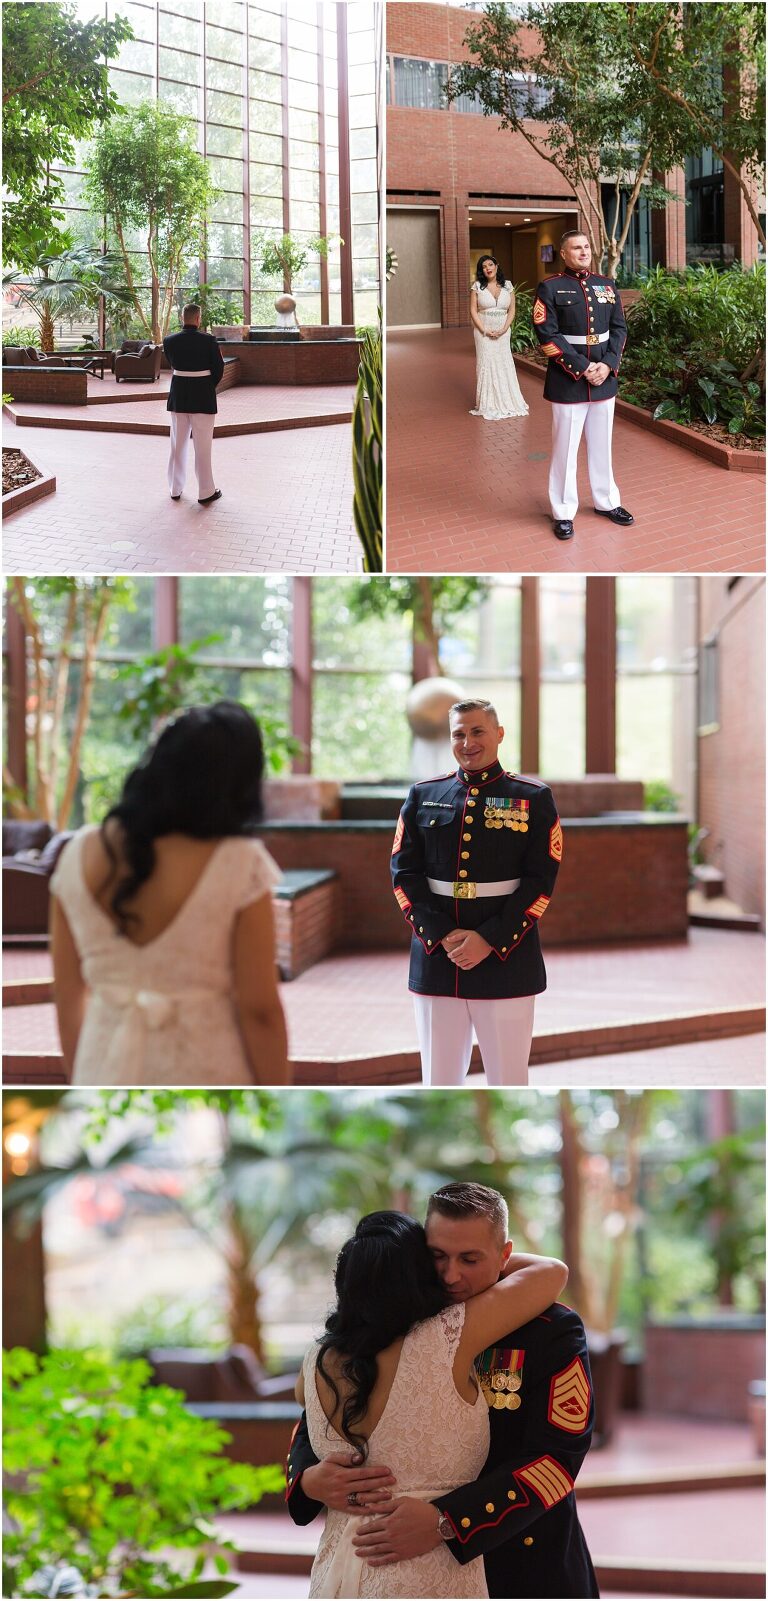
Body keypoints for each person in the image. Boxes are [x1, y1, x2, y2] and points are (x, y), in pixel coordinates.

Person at [287, 1182, 598, 1601]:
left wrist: (450, 1520)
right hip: (394, 1562)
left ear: (505, 1256)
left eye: (470, 1259)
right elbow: (319, 1419)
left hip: (519, 1557)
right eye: (437, 1257)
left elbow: (555, 1460)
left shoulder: (550, 1329)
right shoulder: (401, 1318)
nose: (452, 1276)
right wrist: (307, 1479)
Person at [49, 701, 289, 1086]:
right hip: (209, 1067)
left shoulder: (78, 851)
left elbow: (66, 992)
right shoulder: (240, 863)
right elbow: (259, 1010)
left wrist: (85, 1074)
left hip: (101, 1062)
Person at [390, 699, 562, 1085]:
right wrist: (442, 936)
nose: (468, 742)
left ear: (499, 734)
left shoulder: (532, 798)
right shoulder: (423, 795)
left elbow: (539, 883)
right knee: (439, 1082)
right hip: (437, 958)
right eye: (459, 734)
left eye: (477, 731)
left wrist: (489, 939)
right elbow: (404, 874)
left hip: (506, 958)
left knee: (508, 1080)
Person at [533, 230, 634, 542]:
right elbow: (547, 335)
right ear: (564, 254)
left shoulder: (606, 284)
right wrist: (583, 367)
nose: (583, 252)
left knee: (602, 446)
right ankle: (563, 511)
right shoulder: (550, 287)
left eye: (587, 246)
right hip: (569, 380)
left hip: (604, 378)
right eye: (576, 248)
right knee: (565, 450)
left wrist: (607, 365)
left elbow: (619, 328)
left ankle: (607, 502)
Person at [163, 302, 225, 505]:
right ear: (198, 319)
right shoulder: (209, 341)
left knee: (177, 444)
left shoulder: (169, 341)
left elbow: (173, 364)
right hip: (203, 397)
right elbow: (218, 369)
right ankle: (206, 491)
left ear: (182, 318)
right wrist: (207, 385)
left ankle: (174, 488)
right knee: (203, 446)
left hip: (179, 396)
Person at [469, 255, 529, 422]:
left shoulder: (507, 286)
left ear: (496, 266)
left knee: (504, 363)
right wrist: (484, 330)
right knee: (486, 364)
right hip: (483, 333)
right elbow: (473, 311)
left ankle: (508, 400)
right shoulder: (477, 287)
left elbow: (512, 310)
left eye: (490, 264)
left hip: (503, 332)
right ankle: (488, 404)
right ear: (481, 270)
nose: (487, 268)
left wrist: (504, 329)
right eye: (483, 267)